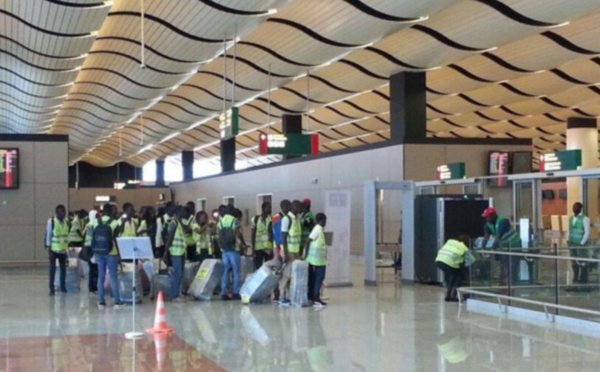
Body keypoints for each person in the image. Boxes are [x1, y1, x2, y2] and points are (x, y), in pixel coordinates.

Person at [92, 204, 122, 309]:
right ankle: (116, 301)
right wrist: (119, 253)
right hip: (111, 252)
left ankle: (101, 301)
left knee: (101, 276)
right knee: (113, 276)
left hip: (99, 252)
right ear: (111, 212)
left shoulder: (96, 222)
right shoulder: (115, 223)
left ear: (102, 211)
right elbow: (116, 239)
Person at [278, 199, 302, 306]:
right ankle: (282, 297)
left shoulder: (296, 219)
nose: (301, 209)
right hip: (290, 252)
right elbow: (283, 236)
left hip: (296, 252)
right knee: (286, 275)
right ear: (294, 207)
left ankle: (288, 296)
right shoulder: (287, 219)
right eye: (299, 207)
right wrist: (286, 252)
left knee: (293, 275)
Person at [435, 235, 471, 302]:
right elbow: (470, 261)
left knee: (453, 275)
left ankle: (448, 295)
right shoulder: (464, 247)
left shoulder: (450, 242)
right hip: (448, 262)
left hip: (439, 260)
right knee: (459, 276)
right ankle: (453, 295)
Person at [164, 206, 189, 302]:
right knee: (177, 274)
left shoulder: (179, 222)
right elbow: (169, 238)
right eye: (183, 211)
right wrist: (166, 252)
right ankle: (174, 295)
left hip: (181, 251)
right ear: (179, 212)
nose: (185, 213)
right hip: (176, 252)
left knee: (180, 273)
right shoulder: (173, 223)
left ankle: (178, 293)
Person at [303, 213, 328, 308]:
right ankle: (316, 299)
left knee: (317, 279)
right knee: (319, 279)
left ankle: (314, 297)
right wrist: (306, 255)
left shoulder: (319, 229)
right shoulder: (317, 229)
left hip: (318, 260)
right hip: (317, 260)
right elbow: (307, 241)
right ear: (321, 220)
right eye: (325, 220)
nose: (326, 222)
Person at [218, 205, 242, 301]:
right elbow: (238, 234)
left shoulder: (221, 221)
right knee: (236, 271)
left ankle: (224, 292)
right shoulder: (235, 220)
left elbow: (219, 234)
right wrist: (243, 244)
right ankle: (236, 292)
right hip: (233, 248)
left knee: (225, 271)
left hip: (224, 249)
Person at [46, 204, 69, 296]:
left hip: (63, 249)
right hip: (53, 250)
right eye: (61, 211)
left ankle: (62, 286)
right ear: (56, 213)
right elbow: (48, 235)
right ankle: (52, 289)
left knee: (63, 269)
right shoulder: (51, 221)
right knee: (52, 269)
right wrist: (49, 248)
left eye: (64, 211)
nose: (63, 213)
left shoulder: (66, 221)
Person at [566, 202, 591, 286]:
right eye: (574, 206)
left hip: (580, 244)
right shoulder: (570, 219)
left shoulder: (585, 219)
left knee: (582, 261)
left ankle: (583, 278)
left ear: (580, 209)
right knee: (574, 261)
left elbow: (587, 232)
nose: (575, 208)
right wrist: (567, 239)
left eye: (577, 207)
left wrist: (582, 242)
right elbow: (569, 230)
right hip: (572, 243)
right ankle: (575, 276)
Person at [251, 202, 274, 270]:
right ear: (263, 208)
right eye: (268, 208)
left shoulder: (272, 219)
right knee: (258, 267)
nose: (270, 209)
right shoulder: (255, 219)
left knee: (268, 267)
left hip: (268, 247)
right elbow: (253, 234)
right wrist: (253, 249)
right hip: (258, 248)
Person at [84, 210, 99, 294]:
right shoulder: (90, 225)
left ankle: (94, 287)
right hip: (90, 249)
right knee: (93, 269)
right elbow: (91, 236)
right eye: (96, 215)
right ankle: (91, 287)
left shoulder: (93, 224)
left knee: (95, 269)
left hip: (93, 248)